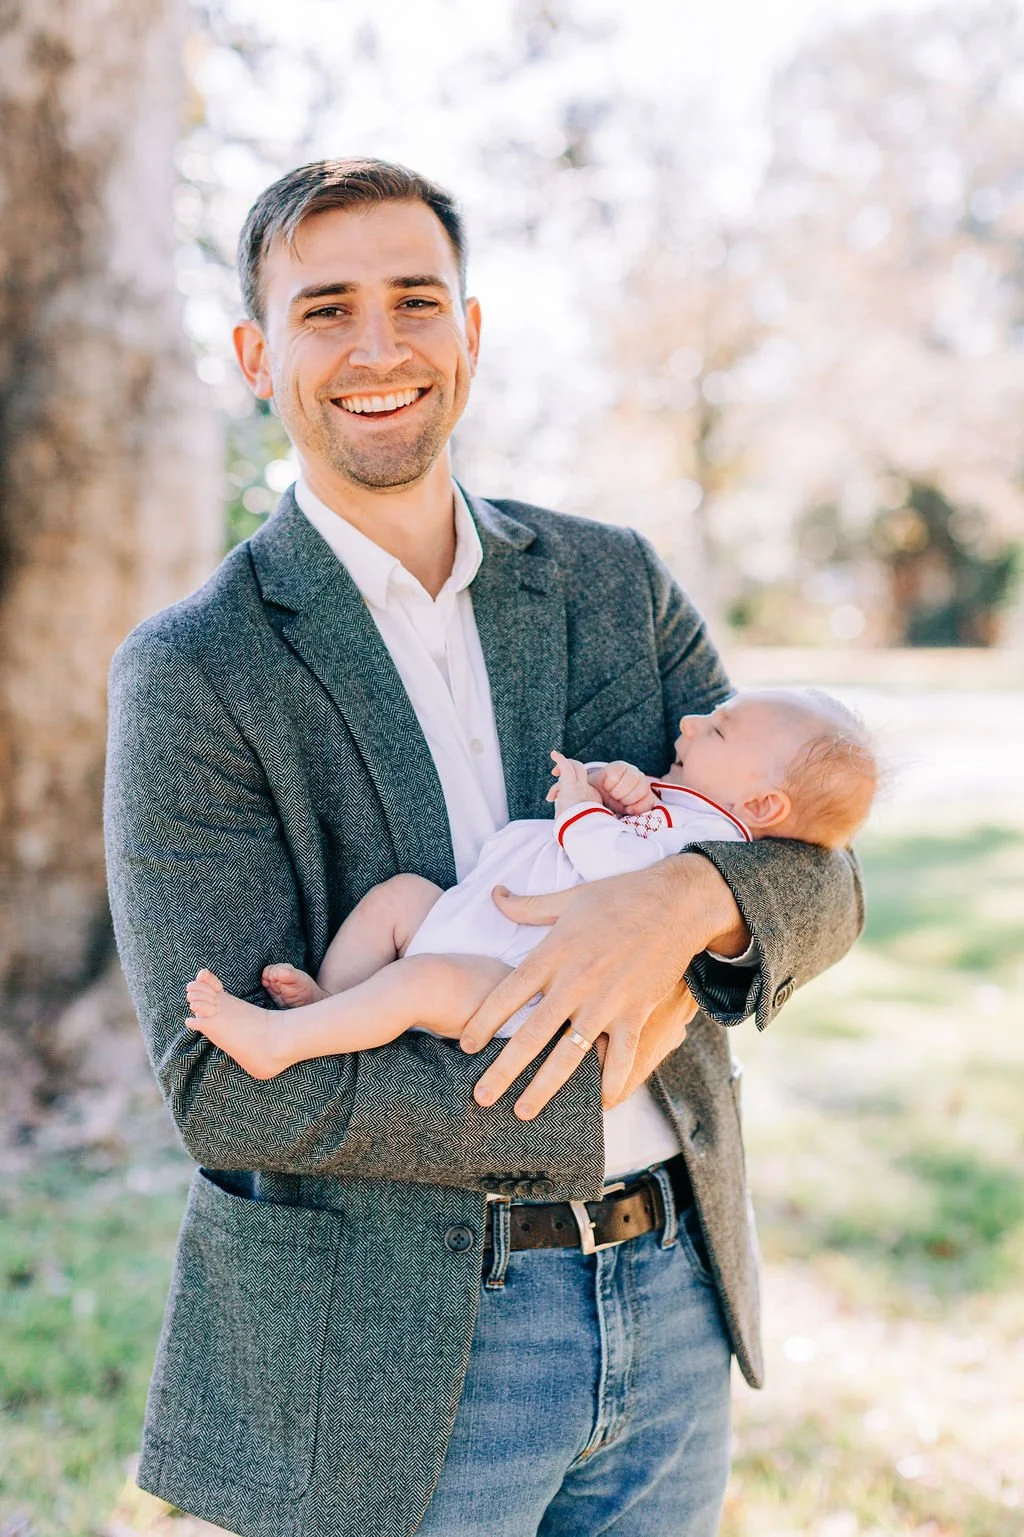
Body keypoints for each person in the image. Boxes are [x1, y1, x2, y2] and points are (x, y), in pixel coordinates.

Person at [103, 158, 866, 1537]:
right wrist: (568, 1117)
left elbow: (818, 865)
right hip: (395, 1353)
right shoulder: (194, 670)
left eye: (416, 299)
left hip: (675, 1302)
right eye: (328, 308)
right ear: (254, 353)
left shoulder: (610, 581)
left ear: (471, 330)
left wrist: (685, 897)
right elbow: (222, 1084)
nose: (381, 346)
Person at [184, 689, 876, 1085]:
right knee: (397, 897)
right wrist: (614, 779)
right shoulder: (682, 803)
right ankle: (336, 1002)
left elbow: (611, 873)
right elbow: (629, 818)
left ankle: (283, 1041)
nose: (691, 722)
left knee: (422, 980)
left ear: (762, 807)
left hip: (519, 974)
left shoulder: (710, 844)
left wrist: (580, 800)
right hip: (477, 917)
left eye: (718, 729)